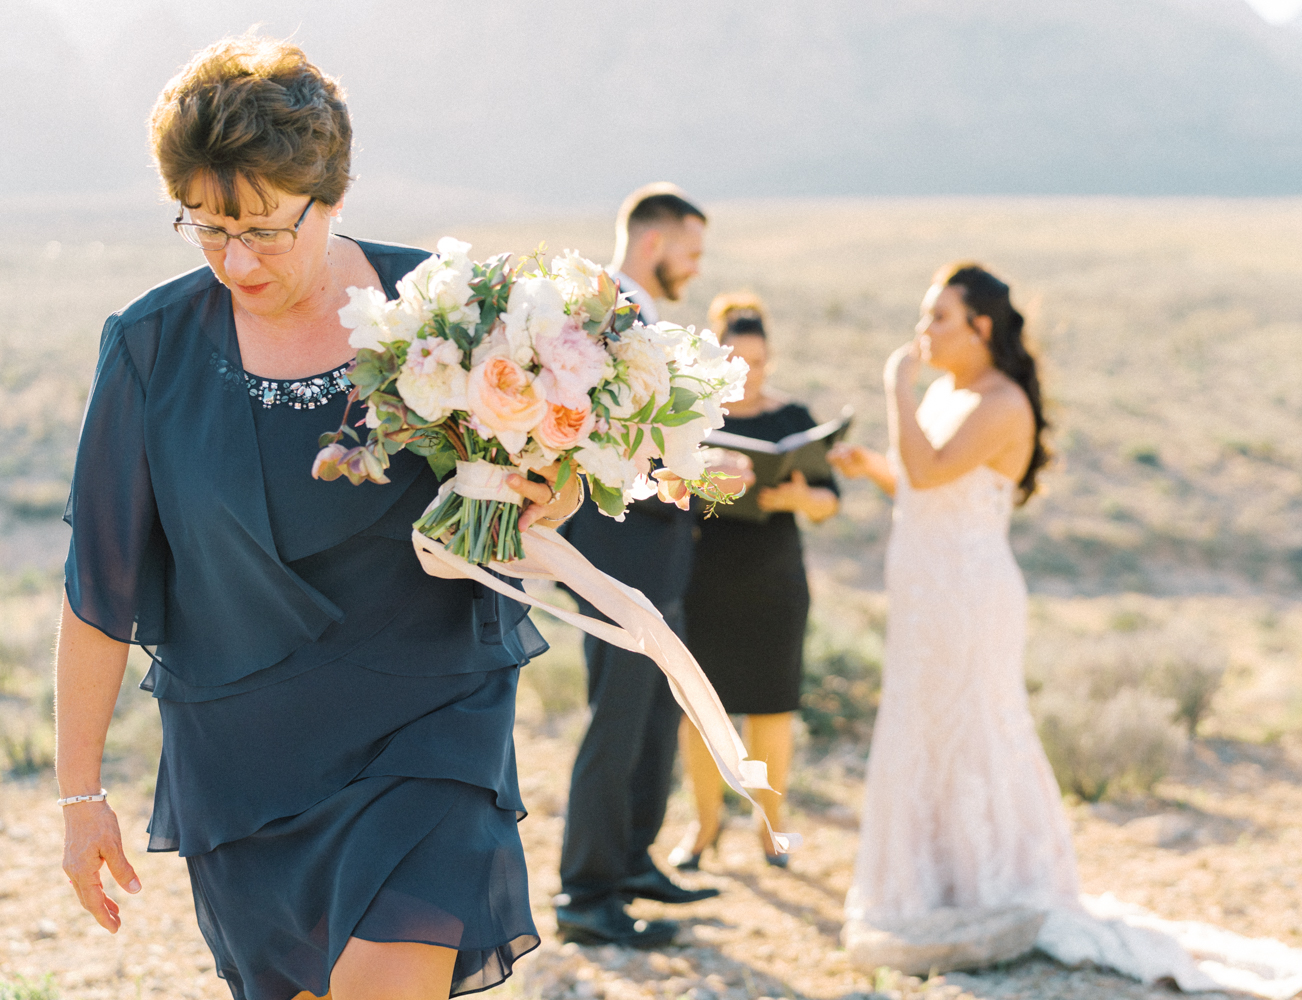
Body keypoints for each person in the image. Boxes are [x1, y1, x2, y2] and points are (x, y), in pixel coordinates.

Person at [55, 37, 584, 1000]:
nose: (233, 258)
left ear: (331, 195)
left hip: (430, 723)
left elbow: (550, 465)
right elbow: (101, 589)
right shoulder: (148, 348)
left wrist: (555, 490)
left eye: (262, 229)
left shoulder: (444, 311)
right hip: (244, 759)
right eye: (205, 228)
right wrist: (80, 796)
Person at [829, 264, 1302, 993]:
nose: (922, 332)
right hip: (926, 595)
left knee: (974, 724)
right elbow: (919, 479)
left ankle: (994, 880)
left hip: (968, 597)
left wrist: (893, 387)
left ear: (982, 328)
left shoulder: (1001, 403)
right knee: (925, 724)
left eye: (938, 318)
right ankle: (938, 881)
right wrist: (870, 463)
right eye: (922, 316)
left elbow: (933, 473)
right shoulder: (949, 393)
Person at [553, 185, 746, 947]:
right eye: (691, 254)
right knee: (620, 718)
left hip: (655, 550)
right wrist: (695, 472)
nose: (695, 271)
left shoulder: (640, 312)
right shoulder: (608, 312)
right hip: (619, 551)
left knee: (656, 717)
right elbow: (604, 444)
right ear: (655, 242)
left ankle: (632, 861)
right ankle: (585, 895)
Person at [670, 294, 838, 871]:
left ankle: (772, 829)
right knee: (700, 711)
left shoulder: (793, 417)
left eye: (760, 362)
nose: (751, 374)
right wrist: (713, 485)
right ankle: (704, 827)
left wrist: (796, 496)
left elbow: (828, 501)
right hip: (704, 579)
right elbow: (667, 494)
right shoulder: (690, 417)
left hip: (775, 582)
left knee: (771, 711)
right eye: (739, 361)